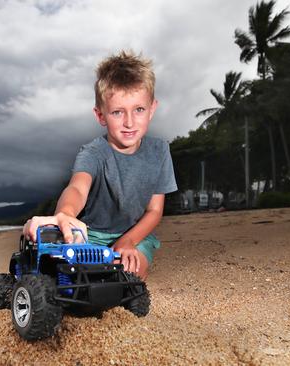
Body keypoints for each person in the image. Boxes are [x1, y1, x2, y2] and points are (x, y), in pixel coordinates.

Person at [23, 50, 177, 280]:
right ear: (101, 115)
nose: (129, 122)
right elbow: (77, 187)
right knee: (73, 276)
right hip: (90, 234)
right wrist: (65, 213)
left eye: (139, 110)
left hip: (134, 234)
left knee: (128, 274)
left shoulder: (160, 151)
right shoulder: (93, 153)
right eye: (117, 112)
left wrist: (128, 241)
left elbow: (155, 211)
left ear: (152, 109)